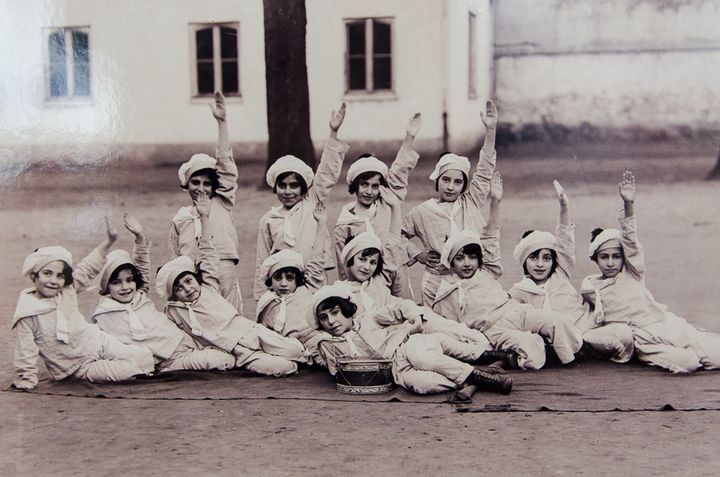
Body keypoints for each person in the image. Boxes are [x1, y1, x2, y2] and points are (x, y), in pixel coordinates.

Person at [432, 173, 583, 370]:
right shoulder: (445, 292)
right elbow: (451, 328)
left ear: (479, 260)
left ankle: (570, 361)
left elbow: (490, 236)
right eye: (459, 259)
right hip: (494, 329)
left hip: (515, 311)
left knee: (556, 321)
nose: (467, 263)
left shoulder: (487, 271)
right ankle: (515, 354)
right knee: (531, 350)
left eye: (472, 257)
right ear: (451, 263)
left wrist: (495, 202)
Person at [580, 171, 720, 373]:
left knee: (716, 357)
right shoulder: (590, 287)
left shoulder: (632, 273)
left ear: (623, 258)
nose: (610, 262)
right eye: (604, 257)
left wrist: (629, 205)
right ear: (596, 259)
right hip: (645, 341)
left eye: (616, 256)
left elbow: (630, 241)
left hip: (669, 326)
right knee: (688, 363)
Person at [159, 192, 308, 377]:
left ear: (195, 279)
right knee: (283, 368)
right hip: (237, 354)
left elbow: (207, 252)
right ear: (174, 295)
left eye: (188, 281)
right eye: (179, 288)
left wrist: (205, 217)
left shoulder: (208, 287)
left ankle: (296, 351)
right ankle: (280, 360)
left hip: (252, 333)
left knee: (297, 353)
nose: (187, 289)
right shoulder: (174, 310)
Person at [11, 219, 154, 390]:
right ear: (34, 276)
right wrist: (26, 378)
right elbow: (25, 350)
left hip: (97, 342)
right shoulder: (27, 313)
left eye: (60, 276)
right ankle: (118, 367)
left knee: (145, 356)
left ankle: (123, 362)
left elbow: (87, 268)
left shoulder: (66, 291)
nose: (53, 281)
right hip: (77, 366)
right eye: (47, 274)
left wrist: (108, 241)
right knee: (129, 370)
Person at [92, 213, 235, 373]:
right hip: (167, 360)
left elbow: (141, 265)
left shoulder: (139, 295)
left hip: (183, 341)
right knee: (223, 360)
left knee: (229, 350)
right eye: (116, 282)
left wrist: (140, 237)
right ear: (107, 287)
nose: (125, 287)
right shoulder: (103, 314)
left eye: (129, 280)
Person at [508, 181, 634, 363]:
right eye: (534, 258)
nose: (541, 264)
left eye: (547, 258)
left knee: (624, 333)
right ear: (524, 261)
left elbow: (565, 243)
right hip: (559, 339)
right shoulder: (518, 291)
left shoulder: (560, 274)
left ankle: (589, 352)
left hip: (588, 332)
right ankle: (573, 352)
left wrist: (564, 208)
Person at [314, 283, 512, 395]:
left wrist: (415, 318)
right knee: (424, 385)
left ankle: (485, 377)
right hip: (395, 371)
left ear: (346, 311)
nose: (331, 321)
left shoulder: (368, 318)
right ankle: (476, 377)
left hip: (408, 346)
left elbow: (400, 307)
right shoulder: (328, 345)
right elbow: (337, 373)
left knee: (423, 358)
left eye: (335, 313)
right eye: (324, 318)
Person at [402, 101, 498, 306]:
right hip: (436, 282)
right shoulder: (422, 212)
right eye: (446, 180)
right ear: (437, 181)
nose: (451, 187)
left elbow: (484, 171)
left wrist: (490, 131)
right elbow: (396, 234)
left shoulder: (470, 202)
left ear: (464, 185)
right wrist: (417, 253)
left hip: (471, 279)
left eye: (458, 182)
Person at [254, 103, 349, 300]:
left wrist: (333, 132)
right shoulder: (269, 219)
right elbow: (262, 260)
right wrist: (261, 297)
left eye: (294, 186)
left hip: (312, 276)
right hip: (283, 281)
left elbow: (326, 173)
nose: (288, 191)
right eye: (282, 185)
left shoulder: (311, 203)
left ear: (304, 188)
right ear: (275, 187)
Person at [169, 91, 243, 314]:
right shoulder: (181, 218)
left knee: (230, 314)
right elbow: (175, 256)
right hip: (194, 276)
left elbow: (226, 165)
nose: (201, 189)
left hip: (224, 266)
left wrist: (222, 123)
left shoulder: (222, 202)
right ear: (186, 184)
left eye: (207, 183)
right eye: (196, 182)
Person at [334, 113, 422, 299]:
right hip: (368, 280)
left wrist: (410, 137)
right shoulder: (345, 223)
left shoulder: (386, 203)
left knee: (403, 310)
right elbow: (343, 265)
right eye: (364, 185)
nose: (369, 191)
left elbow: (398, 173)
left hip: (396, 270)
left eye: (375, 186)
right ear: (355, 186)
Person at [256, 202, 332, 364]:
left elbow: (317, 257)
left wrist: (321, 223)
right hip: (288, 344)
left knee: (327, 346)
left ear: (297, 279)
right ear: (270, 281)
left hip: (312, 337)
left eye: (289, 278)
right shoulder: (268, 302)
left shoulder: (306, 288)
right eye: (278, 278)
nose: (283, 284)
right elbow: (265, 331)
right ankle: (299, 358)